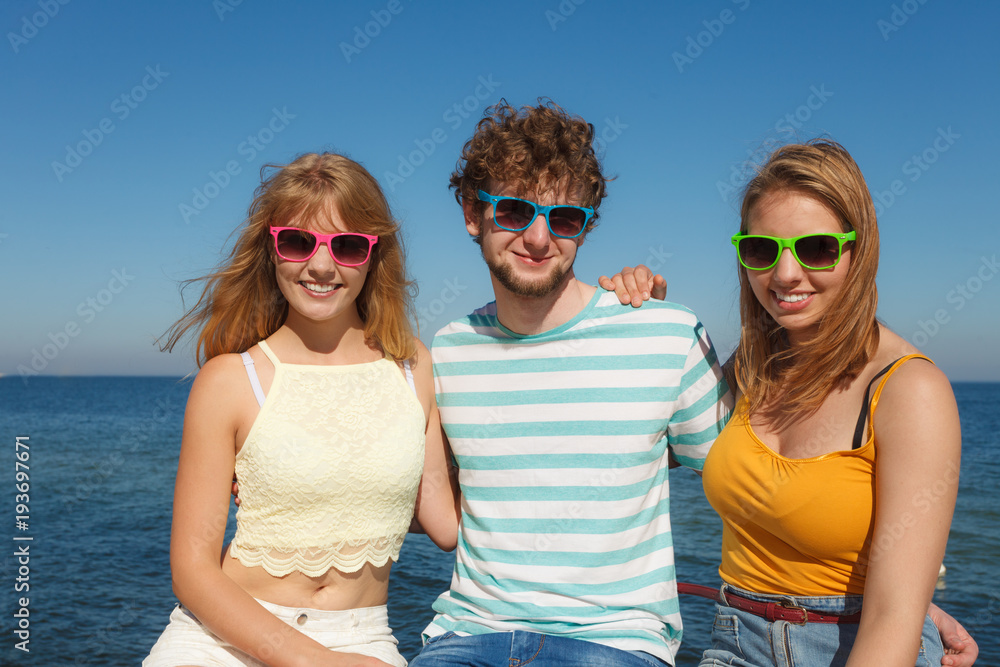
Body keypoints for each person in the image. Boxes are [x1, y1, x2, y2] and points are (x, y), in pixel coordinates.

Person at [605, 140, 973, 666]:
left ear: (859, 249)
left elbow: (893, 617)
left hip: (854, 645)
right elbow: (632, 452)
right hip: (736, 637)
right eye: (761, 249)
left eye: (816, 248)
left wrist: (917, 610)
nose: (784, 275)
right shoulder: (753, 365)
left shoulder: (909, 391)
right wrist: (644, 337)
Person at [408, 100, 733, 666]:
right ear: (471, 212)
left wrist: (879, 594)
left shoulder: (665, 334)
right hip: (466, 636)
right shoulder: (448, 352)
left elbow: (758, 488)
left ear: (584, 228)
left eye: (563, 219)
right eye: (513, 210)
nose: (538, 238)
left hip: (614, 643)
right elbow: (436, 494)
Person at [145, 152, 459, 667]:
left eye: (348, 245)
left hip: (360, 640)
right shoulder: (228, 380)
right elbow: (192, 570)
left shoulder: (413, 367)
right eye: (297, 241)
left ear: (375, 254)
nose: (320, 265)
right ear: (271, 249)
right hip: (224, 641)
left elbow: (444, 522)